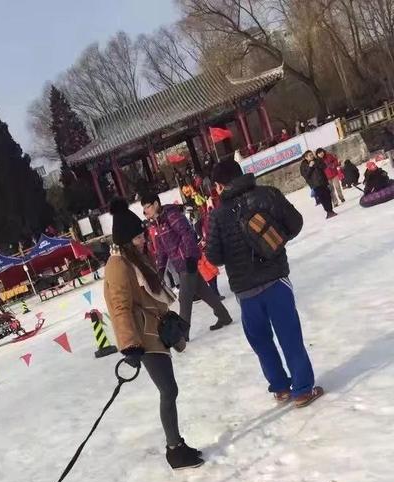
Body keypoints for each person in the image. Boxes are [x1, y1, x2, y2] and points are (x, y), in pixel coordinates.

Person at [205, 157, 324, 408]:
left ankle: (280, 388)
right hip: (276, 279)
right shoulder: (268, 194)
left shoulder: (218, 215)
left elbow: (214, 257)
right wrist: (275, 241)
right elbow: (296, 223)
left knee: (261, 341)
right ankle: (302, 389)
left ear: (219, 185)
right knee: (289, 336)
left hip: (245, 290)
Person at [104, 198, 204, 470]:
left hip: (154, 330)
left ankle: (177, 446)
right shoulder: (118, 266)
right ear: (125, 240)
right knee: (168, 390)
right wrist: (130, 345)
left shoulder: (134, 259)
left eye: (142, 235)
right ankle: (174, 449)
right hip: (143, 337)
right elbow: (120, 307)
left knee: (170, 389)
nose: (143, 240)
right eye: (138, 237)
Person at [140, 189, 232, 332]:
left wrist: (189, 257)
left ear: (156, 204)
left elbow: (187, 234)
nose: (145, 211)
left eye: (147, 207)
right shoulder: (156, 224)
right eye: (144, 209)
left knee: (184, 298)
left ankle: (183, 333)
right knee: (203, 291)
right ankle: (224, 315)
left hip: (186, 261)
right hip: (179, 263)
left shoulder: (171, 215)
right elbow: (161, 249)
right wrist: (160, 269)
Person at [300, 151, 336, 219]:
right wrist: (310, 167)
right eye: (310, 155)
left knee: (328, 196)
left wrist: (317, 162)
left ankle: (331, 210)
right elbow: (306, 176)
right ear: (306, 157)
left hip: (323, 182)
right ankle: (328, 211)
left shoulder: (317, 160)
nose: (312, 156)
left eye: (312, 154)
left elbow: (324, 166)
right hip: (316, 185)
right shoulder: (303, 166)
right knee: (322, 199)